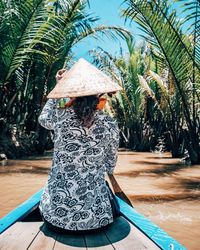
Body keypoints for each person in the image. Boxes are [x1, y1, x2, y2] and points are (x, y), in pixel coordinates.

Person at [38, 68, 120, 233]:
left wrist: (58, 87)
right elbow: (110, 166)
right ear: (99, 97)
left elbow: (43, 118)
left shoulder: (59, 118)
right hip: (98, 221)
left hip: (57, 221)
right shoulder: (110, 124)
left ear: (72, 96)